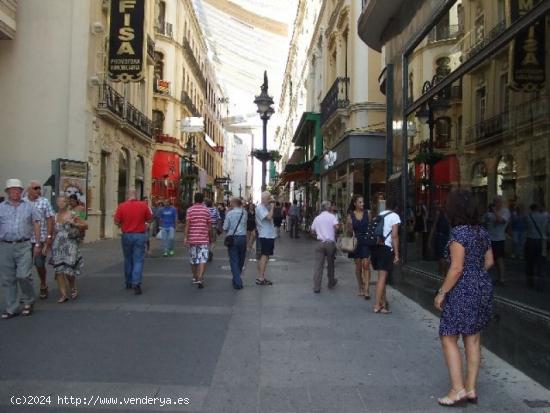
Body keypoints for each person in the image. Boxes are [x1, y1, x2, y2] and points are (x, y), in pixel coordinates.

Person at [434, 189, 494, 407]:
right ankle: (471, 389)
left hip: (462, 289)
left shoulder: (458, 233)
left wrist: (442, 292)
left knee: (448, 336)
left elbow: (456, 267)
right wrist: (476, 275)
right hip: (482, 287)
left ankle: (456, 389)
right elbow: (489, 262)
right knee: (473, 338)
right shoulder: (481, 232)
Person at [0, 178, 42, 319]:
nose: (15, 192)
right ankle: (11, 308)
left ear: (21, 191)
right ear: (7, 192)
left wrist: (37, 243)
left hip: (24, 244)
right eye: (12, 190)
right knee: (8, 279)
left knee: (23, 275)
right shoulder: (1, 207)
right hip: (5, 245)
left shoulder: (28, 206)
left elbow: (36, 224)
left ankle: (28, 301)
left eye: (18, 190)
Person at [114, 189, 153, 295]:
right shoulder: (143, 205)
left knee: (128, 259)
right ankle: (136, 283)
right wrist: (145, 224)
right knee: (138, 260)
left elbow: (116, 221)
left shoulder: (121, 206)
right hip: (140, 235)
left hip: (126, 235)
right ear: (136, 195)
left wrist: (121, 225)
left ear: (127, 196)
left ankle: (128, 282)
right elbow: (150, 219)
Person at [50, 196, 87, 302]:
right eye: (59, 201)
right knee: (59, 270)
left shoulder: (74, 213)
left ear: (67, 203)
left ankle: (72, 287)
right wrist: (48, 243)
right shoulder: (55, 216)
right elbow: (52, 231)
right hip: (58, 245)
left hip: (70, 244)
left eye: (63, 201)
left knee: (68, 270)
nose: (61, 203)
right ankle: (63, 294)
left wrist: (74, 223)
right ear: (57, 203)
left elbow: (85, 225)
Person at [24, 180, 55, 300]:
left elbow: (50, 219)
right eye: (35, 188)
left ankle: (43, 283)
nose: (38, 190)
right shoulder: (23, 202)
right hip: (25, 239)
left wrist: (49, 236)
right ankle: (27, 291)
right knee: (25, 267)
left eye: (39, 188)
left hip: (40, 238)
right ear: (28, 190)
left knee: (39, 263)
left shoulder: (44, 201)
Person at [371, 198, 401, 314]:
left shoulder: (381, 214)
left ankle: (383, 303)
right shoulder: (395, 216)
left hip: (376, 247)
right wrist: (397, 254)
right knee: (382, 278)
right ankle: (377, 305)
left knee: (381, 277)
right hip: (385, 248)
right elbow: (394, 235)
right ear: (397, 208)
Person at [346, 195, 372, 299]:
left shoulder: (368, 213)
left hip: (366, 241)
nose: (362, 204)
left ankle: (366, 289)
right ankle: (360, 287)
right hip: (356, 242)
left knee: (366, 265)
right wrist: (349, 225)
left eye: (363, 202)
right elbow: (349, 232)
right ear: (355, 203)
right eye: (360, 202)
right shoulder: (351, 215)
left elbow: (370, 227)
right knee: (358, 267)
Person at [311, 201, 340, 293]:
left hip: (320, 243)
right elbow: (337, 227)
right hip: (330, 243)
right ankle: (331, 282)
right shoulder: (332, 217)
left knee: (318, 266)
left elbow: (312, 231)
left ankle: (316, 287)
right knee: (330, 264)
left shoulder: (317, 218)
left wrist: (318, 235)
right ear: (329, 208)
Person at [184, 192, 211, 289]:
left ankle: (195, 276)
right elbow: (209, 225)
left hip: (192, 238)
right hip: (203, 238)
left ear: (194, 199)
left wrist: (185, 237)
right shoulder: (206, 210)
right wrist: (209, 236)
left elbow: (187, 224)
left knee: (193, 259)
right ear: (202, 199)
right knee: (203, 259)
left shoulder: (190, 210)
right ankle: (200, 278)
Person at [484, 196, 510, 286]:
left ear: (501, 203)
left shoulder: (505, 212)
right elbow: (484, 222)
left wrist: (494, 211)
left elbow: (500, 221)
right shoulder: (489, 213)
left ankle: (501, 278)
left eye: (497, 202)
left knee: (499, 259)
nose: (495, 204)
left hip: (499, 239)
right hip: (489, 238)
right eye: (494, 202)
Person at [223, 197, 247, 289]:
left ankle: (238, 282)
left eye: (230, 203)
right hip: (243, 238)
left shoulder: (229, 213)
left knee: (234, 260)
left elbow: (225, 227)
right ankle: (236, 278)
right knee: (241, 260)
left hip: (232, 239)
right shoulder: (244, 212)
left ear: (233, 203)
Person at [255, 191, 277, 286]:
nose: (270, 201)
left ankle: (261, 276)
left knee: (265, 256)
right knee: (264, 256)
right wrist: (272, 207)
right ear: (265, 199)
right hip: (265, 236)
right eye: (269, 199)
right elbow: (269, 217)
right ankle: (261, 278)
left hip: (268, 235)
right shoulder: (260, 208)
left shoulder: (263, 207)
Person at [525, 203, 546, 291]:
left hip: (530, 240)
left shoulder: (528, 217)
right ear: (537, 208)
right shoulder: (544, 217)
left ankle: (530, 282)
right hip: (540, 240)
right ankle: (540, 284)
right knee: (540, 262)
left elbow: (526, 227)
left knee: (530, 262)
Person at [428, 204, 451, 278]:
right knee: (443, 257)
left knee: (443, 257)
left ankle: (443, 274)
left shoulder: (444, 214)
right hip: (444, 237)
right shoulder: (444, 214)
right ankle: (443, 275)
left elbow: (433, 227)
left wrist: (429, 240)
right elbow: (434, 226)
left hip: (443, 237)